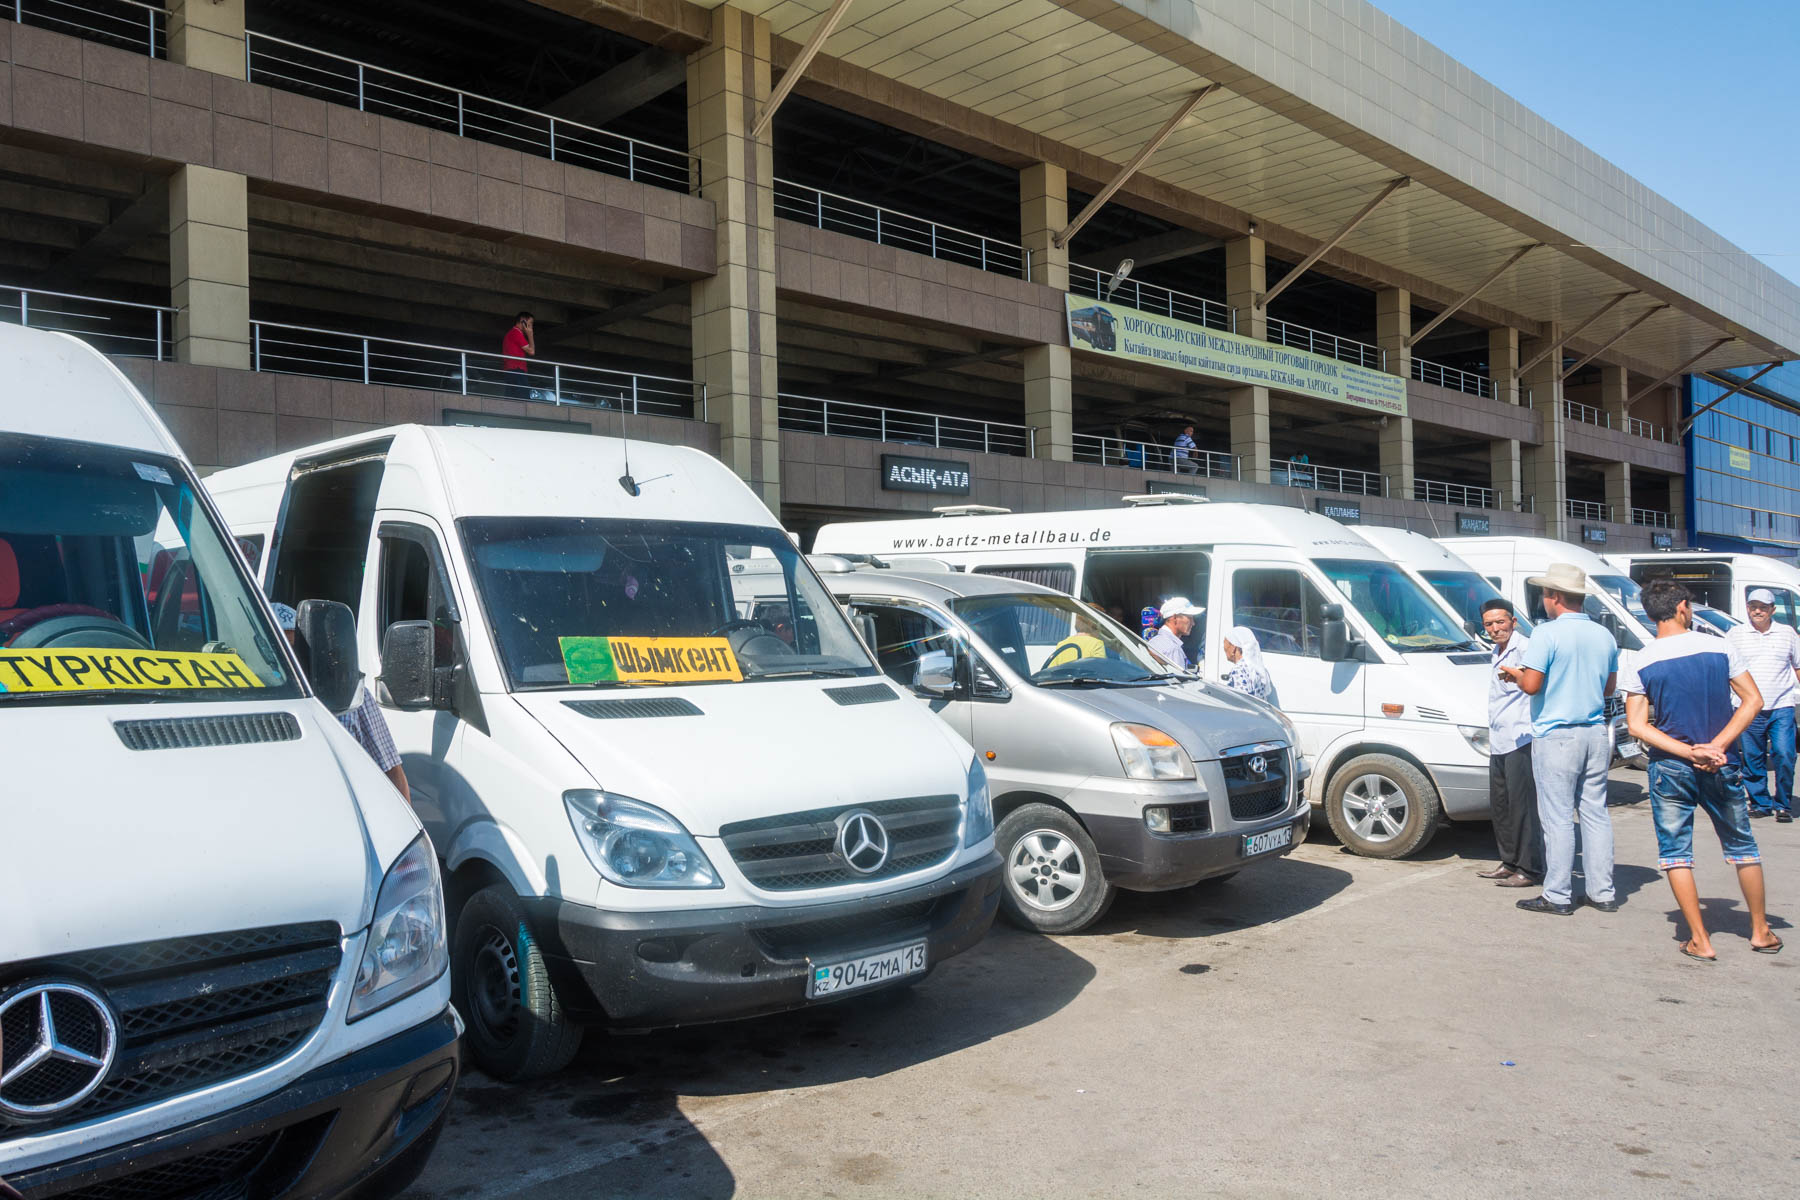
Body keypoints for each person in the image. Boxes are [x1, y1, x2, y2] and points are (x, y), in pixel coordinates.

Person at [1620, 579, 1780, 959]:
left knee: (1676, 853)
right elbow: (1752, 700)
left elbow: (1638, 726)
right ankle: (1760, 930)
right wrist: (1717, 745)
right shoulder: (1721, 646)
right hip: (1722, 762)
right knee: (1743, 846)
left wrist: (1688, 752)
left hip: (1671, 767)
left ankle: (1700, 939)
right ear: (1682, 608)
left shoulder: (1640, 660)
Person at [1497, 563, 1619, 915]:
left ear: (1555, 597)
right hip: (1594, 731)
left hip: (1557, 733)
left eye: (1546, 594)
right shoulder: (1603, 635)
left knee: (1558, 817)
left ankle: (1558, 894)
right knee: (1595, 813)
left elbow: (1532, 685)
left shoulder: (1546, 634)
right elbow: (1608, 687)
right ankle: (1602, 891)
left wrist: (1515, 675)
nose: (1543, 599)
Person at [272, 602, 412, 804]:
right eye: (278, 652)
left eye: (296, 650)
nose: (290, 662)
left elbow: (390, 768)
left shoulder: (349, 694)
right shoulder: (250, 703)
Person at [1479, 598, 1544, 887]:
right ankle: (1509, 861)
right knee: (1502, 805)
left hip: (1522, 736)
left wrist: (1517, 674)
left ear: (1513, 622)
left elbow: (1537, 685)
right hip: (1500, 737)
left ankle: (1529, 869)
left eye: (1500, 622)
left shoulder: (1527, 648)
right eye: (1489, 624)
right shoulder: (1495, 650)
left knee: (1523, 807)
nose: (1495, 629)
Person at [1726, 587, 1800, 822]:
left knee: (1785, 754)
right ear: (1747, 608)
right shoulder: (1735, 634)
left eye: (1763, 607)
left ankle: (1783, 804)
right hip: (1748, 708)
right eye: (1753, 607)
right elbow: (1726, 669)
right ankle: (1760, 803)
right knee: (1752, 757)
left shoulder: (1787, 633)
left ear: (1772, 610)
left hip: (1782, 705)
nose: (1757, 611)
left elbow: (1798, 666)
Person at [1221, 625, 1276, 703]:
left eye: (1225, 643)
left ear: (1233, 648)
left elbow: (1239, 702)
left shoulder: (1238, 670)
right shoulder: (1256, 668)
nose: (1223, 648)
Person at [1146, 596, 1203, 671]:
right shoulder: (1173, 649)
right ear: (1175, 618)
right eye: (1189, 618)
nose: (1193, 623)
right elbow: (1180, 681)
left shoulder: (1155, 641)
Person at [501, 310, 536, 400]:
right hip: (516, 369)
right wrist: (530, 334)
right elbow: (531, 351)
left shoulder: (513, 333)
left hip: (511, 370)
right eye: (530, 323)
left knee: (512, 399)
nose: (531, 326)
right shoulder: (516, 333)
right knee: (523, 398)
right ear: (523, 321)